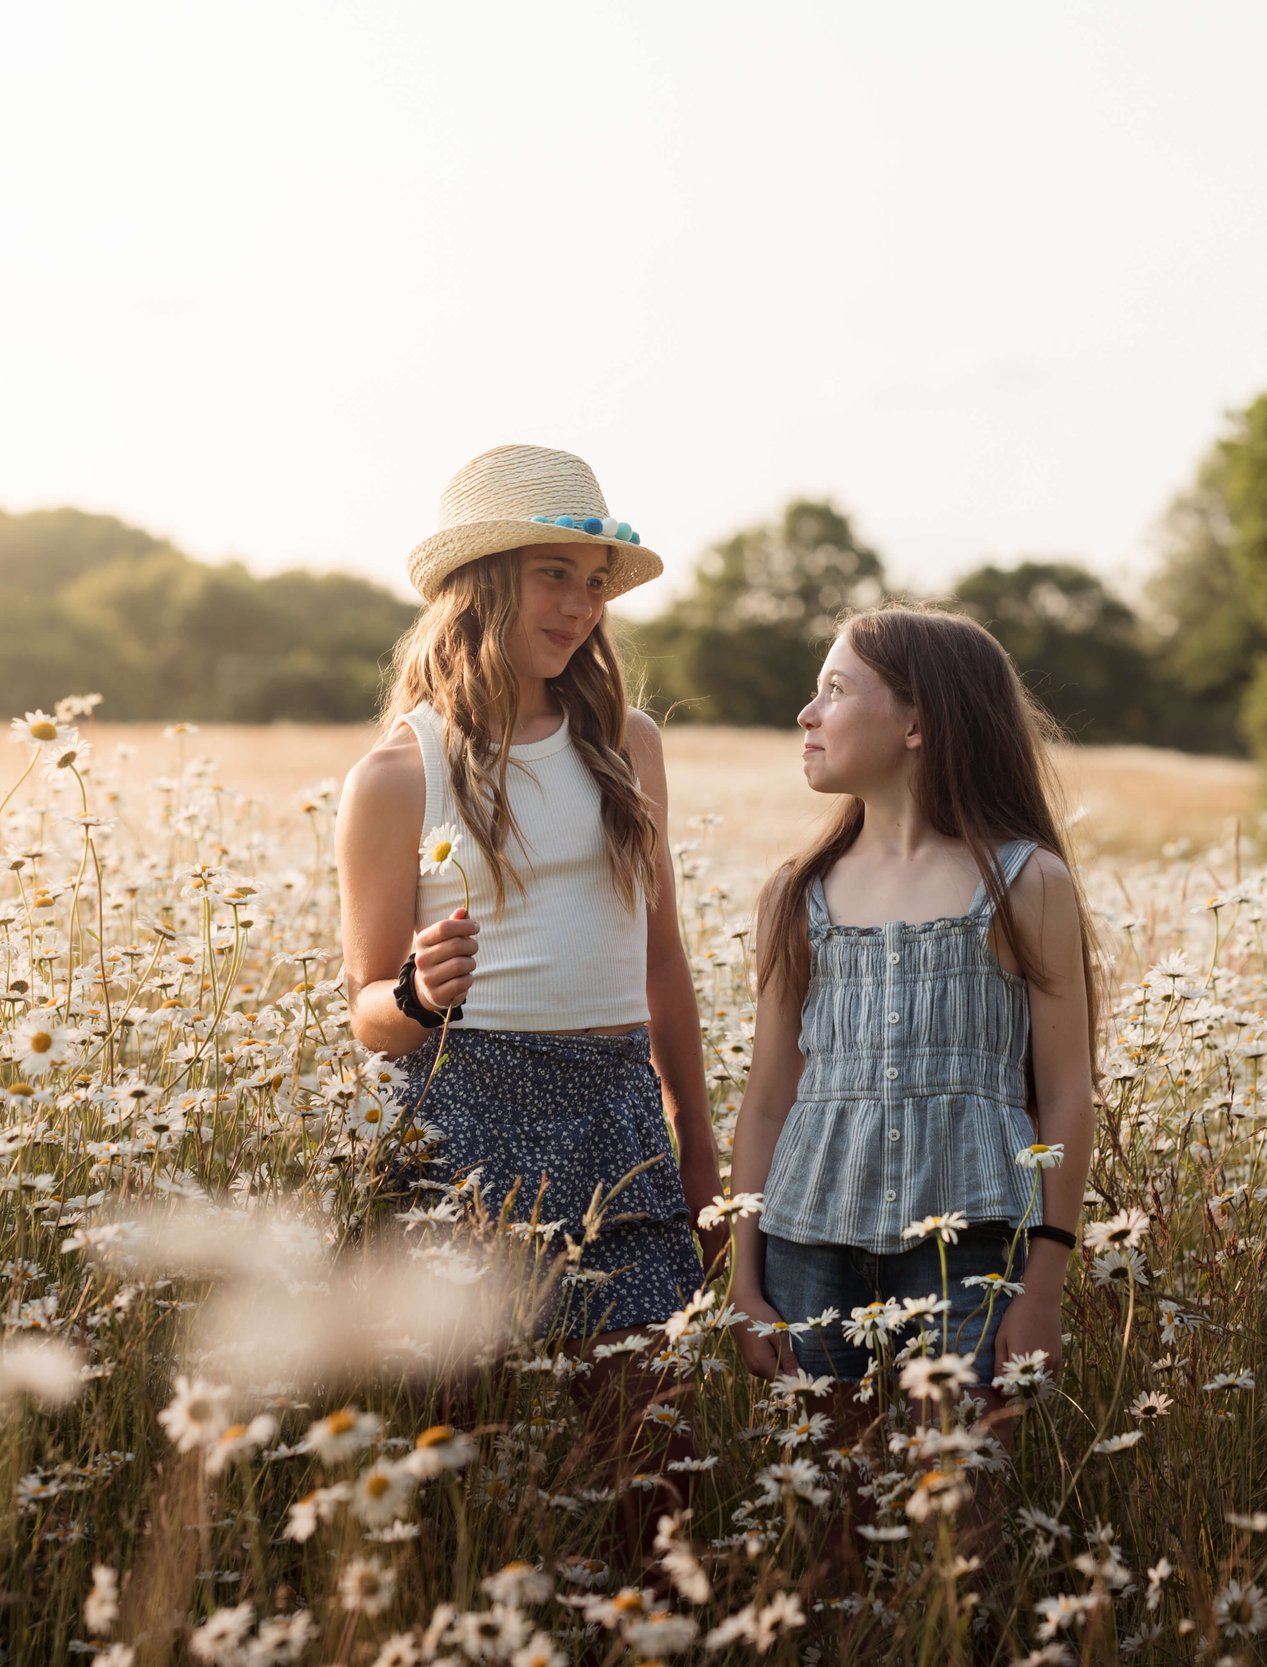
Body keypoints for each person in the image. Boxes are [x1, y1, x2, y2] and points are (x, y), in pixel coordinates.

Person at [336, 442, 724, 1554]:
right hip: (465, 1111)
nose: (581, 605)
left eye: (596, 583)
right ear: (486, 579)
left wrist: (696, 1145)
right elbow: (364, 1006)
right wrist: (413, 992)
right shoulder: (399, 772)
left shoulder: (626, 746)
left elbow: (661, 964)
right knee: (457, 1455)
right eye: (556, 573)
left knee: (654, 1460)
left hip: (614, 1109)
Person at [724, 602, 1100, 1582]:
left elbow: (1064, 1094)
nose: (806, 712)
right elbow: (767, 1099)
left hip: (975, 1244)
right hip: (808, 1241)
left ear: (919, 720)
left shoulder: (1024, 881)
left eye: (835, 688)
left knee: (956, 1524)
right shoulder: (796, 891)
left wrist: (1045, 1282)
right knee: (824, 1518)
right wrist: (743, 1273)